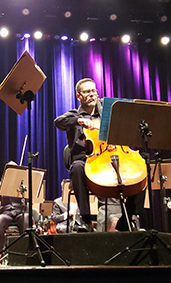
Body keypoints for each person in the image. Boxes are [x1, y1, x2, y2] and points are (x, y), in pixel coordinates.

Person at [54, 78, 101, 232]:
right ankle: (86, 220)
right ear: (78, 96)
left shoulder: (104, 113)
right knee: (77, 167)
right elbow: (58, 122)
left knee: (138, 166)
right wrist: (79, 121)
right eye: (87, 92)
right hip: (84, 163)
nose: (92, 95)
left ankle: (130, 216)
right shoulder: (74, 115)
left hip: (104, 161)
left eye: (94, 91)